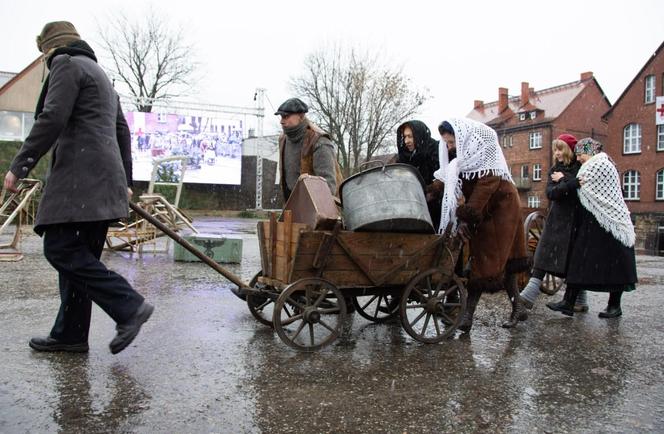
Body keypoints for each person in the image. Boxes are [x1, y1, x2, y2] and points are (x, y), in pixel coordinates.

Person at [3, 21, 153, 354]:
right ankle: (70, 334)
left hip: (80, 181)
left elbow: (52, 116)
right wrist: (125, 182)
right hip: (105, 183)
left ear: (49, 49)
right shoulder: (101, 76)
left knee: (60, 250)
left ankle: (128, 306)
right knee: (80, 259)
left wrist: (20, 164)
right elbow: (122, 132)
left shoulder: (65, 64)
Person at [434, 118, 529, 331]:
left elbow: (483, 190)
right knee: (499, 261)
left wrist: (465, 217)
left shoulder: (488, 161)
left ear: (464, 139)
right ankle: (518, 307)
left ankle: (467, 316)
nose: (449, 148)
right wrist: (430, 190)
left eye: (451, 143)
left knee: (485, 261)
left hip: (502, 210)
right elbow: (447, 178)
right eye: (446, 144)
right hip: (485, 210)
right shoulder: (464, 159)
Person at [546, 138, 637, 317]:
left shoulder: (600, 164)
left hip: (611, 224)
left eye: (581, 155)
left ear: (590, 152)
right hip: (594, 222)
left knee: (615, 266)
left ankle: (614, 306)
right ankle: (568, 302)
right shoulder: (593, 164)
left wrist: (564, 178)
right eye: (577, 154)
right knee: (579, 261)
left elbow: (581, 184)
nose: (578, 158)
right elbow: (580, 183)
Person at [519, 134, 589, 312]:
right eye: (555, 149)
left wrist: (565, 181)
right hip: (557, 218)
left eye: (560, 149)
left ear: (569, 150)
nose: (557, 153)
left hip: (576, 219)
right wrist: (570, 184)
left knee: (574, 259)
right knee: (543, 253)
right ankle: (529, 294)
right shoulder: (553, 170)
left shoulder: (581, 167)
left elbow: (581, 190)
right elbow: (551, 193)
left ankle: (580, 300)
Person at [276, 97, 343, 201]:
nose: (281, 121)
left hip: (320, 208)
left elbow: (328, 187)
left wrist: (313, 211)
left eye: (286, 116)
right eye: (281, 117)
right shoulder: (283, 140)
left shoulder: (319, 141)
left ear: (301, 116)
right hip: (294, 205)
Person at [396, 120, 442, 229]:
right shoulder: (404, 157)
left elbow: (443, 181)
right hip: (413, 210)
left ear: (419, 135)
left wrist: (429, 192)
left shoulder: (437, 151)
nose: (406, 141)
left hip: (437, 210)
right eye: (404, 137)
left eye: (410, 136)